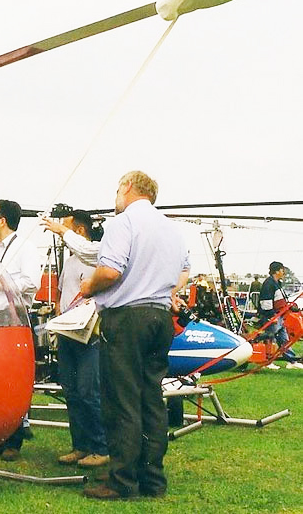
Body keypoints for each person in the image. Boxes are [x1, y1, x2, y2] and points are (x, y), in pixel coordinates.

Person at [79, 171, 189, 500]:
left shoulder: (123, 222)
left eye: (116, 189)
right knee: (150, 398)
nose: (115, 196)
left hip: (127, 318)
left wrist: (88, 286)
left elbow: (111, 270)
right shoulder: (171, 228)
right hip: (159, 318)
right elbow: (184, 271)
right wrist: (166, 291)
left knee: (121, 400)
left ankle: (121, 480)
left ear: (127, 188)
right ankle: (152, 478)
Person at [41, 210, 109, 468]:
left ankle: (100, 447)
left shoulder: (95, 258)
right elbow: (62, 295)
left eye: (65, 228)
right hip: (67, 333)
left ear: (79, 231)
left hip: (90, 335)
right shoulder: (69, 262)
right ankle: (80, 445)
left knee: (88, 391)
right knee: (70, 390)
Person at [0, 199, 40, 461]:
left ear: (2, 220)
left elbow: (31, 282)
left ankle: (14, 438)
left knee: (12, 379)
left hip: (15, 319)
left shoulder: (24, 248)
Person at [257, 262, 302, 369]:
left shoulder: (277, 283)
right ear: (276, 271)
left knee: (284, 339)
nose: (283, 272)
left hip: (280, 316)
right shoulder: (269, 284)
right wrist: (272, 316)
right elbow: (265, 302)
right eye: (282, 270)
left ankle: (291, 360)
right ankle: (266, 361)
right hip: (272, 316)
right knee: (269, 338)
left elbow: (281, 300)